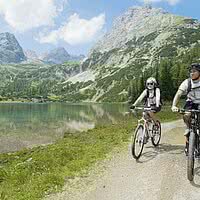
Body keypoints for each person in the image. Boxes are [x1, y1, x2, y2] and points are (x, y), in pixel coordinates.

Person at [171, 63, 200, 154]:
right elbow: (178, 94)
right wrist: (174, 105)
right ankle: (188, 129)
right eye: (190, 72)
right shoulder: (187, 82)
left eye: (194, 71)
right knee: (187, 115)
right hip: (190, 103)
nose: (192, 73)